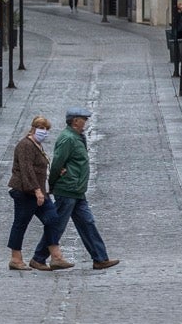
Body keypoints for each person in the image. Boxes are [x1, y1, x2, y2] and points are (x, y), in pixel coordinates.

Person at [30, 107, 121, 271]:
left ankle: (100, 258)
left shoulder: (77, 137)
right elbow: (57, 162)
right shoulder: (68, 139)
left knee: (87, 223)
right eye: (83, 119)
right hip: (67, 189)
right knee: (57, 225)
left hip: (77, 191)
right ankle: (39, 257)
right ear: (75, 121)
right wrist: (53, 184)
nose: (85, 122)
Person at [7, 116, 72, 271]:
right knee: (20, 224)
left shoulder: (37, 145)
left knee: (52, 219)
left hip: (39, 192)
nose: (44, 131)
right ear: (33, 128)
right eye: (41, 128)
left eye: (46, 129)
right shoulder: (25, 145)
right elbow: (26, 170)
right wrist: (37, 190)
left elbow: (39, 168)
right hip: (24, 192)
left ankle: (54, 258)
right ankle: (15, 259)